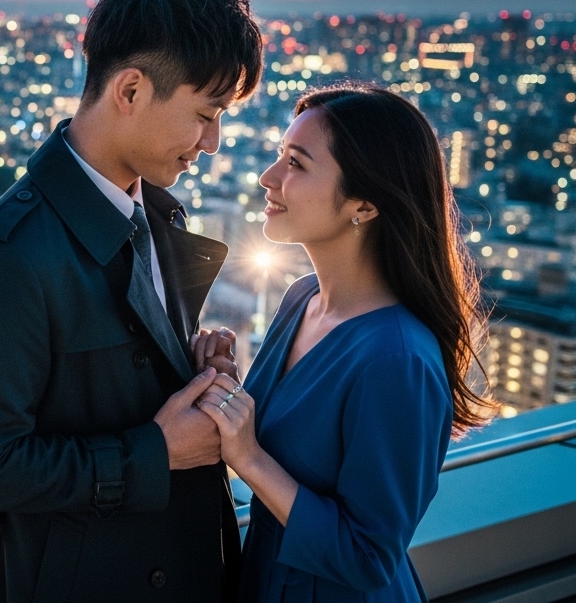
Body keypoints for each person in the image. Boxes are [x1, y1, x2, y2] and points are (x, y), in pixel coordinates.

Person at [0, 0, 263, 602]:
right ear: (132, 90)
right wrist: (154, 453)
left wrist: (189, 372)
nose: (214, 142)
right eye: (205, 114)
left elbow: (114, 384)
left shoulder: (155, 216)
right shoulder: (10, 257)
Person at [196, 86, 493, 601]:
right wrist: (229, 389)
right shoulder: (301, 298)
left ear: (365, 203)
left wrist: (248, 458)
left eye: (297, 163)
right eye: (278, 156)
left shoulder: (396, 359)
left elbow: (369, 557)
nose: (269, 178)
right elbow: (297, 431)